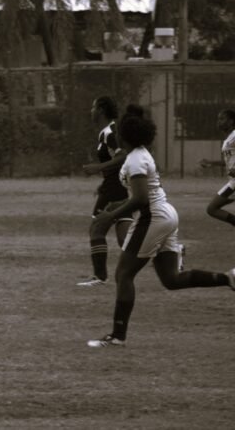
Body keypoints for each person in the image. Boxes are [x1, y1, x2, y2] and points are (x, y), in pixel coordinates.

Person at [86, 105, 235, 349]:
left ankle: (117, 336)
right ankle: (228, 278)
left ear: (125, 136)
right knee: (171, 279)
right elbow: (143, 194)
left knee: (123, 274)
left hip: (152, 218)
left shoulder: (135, 160)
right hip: (166, 214)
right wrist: (116, 205)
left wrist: (110, 215)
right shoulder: (142, 153)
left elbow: (141, 199)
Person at [77, 96, 134, 287]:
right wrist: (102, 182)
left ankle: (100, 277)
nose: (91, 111)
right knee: (125, 239)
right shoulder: (106, 132)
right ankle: (170, 249)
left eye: (93, 107)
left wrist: (98, 168)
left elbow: (123, 156)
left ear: (101, 110)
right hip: (116, 187)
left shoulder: (110, 132)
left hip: (114, 189)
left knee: (96, 229)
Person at [204, 109, 235, 227]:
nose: (219, 122)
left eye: (222, 119)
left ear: (231, 121)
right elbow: (228, 162)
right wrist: (211, 163)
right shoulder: (228, 139)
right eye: (218, 119)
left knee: (212, 209)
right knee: (212, 209)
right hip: (232, 181)